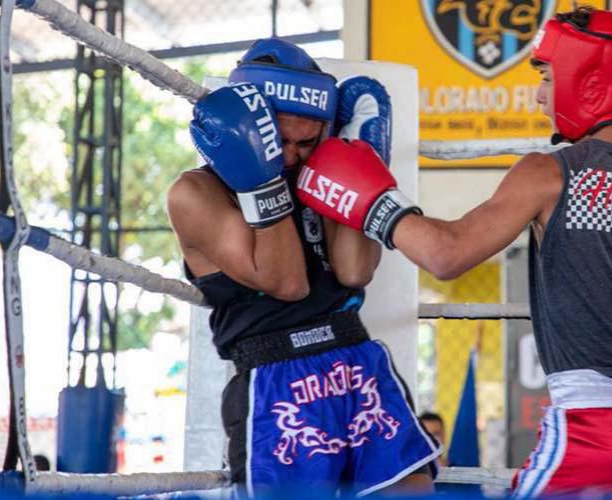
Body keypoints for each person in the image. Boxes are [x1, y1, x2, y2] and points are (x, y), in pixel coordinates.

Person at [292, 7, 612, 496]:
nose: (540, 95)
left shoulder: (550, 173)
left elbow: (447, 254)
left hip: (598, 424)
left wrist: (373, 202)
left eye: (547, 77)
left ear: (589, 82)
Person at [166, 38, 440, 496]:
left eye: (307, 142)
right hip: (275, 379)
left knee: (411, 490)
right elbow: (288, 282)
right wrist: (260, 178)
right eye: (280, 141)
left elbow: (355, 272)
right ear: (250, 130)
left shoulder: (320, 170)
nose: (291, 156)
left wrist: (359, 163)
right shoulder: (196, 194)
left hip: (355, 360)